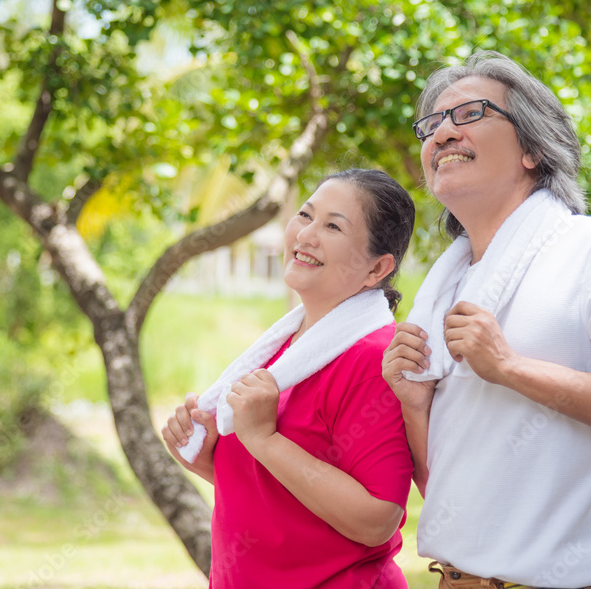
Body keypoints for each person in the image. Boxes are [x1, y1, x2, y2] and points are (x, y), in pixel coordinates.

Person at [382, 51, 591, 589]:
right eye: (430, 125)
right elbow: (450, 492)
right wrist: (414, 404)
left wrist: (507, 366)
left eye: (470, 114)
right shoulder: (443, 291)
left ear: (531, 147)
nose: (442, 134)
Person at [163, 168, 417, 588]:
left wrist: (263, 439)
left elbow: (377, 519)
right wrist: (209, 456)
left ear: (377, 268)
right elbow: (284, 492)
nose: (306, 235)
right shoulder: (287, 350)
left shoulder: (373, 360)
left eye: (333, 226)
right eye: (305, 215)